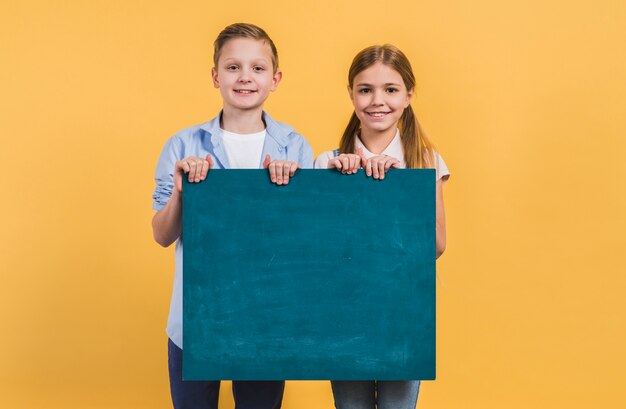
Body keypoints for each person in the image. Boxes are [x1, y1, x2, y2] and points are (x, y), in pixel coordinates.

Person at [152, 23, 313, 409]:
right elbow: (161, 234)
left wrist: (291, 196)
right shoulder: (183, 144)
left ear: (275, 79)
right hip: (194, 319)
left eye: (258, 68)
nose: (245, 77)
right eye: (233, 67)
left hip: (267, 318)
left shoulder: (294, 145)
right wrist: (181, 192)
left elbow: (306, 244)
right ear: (215, 76)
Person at [314, 44, 450, 409]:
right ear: (351, 95)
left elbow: (436, 244)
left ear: (408, 95)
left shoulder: (425, 161)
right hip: (344, 310)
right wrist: (341, 185)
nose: (378, 101)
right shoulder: (327, 162)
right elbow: (318, 249)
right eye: (365, 89)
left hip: (404, 310)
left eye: (390, 90)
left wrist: (397, 190)